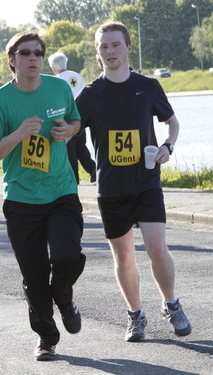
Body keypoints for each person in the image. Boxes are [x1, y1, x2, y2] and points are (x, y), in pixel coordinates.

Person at [75, 21, 191, 342]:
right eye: (103, 47)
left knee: (156, 247)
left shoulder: (149, 86)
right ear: (98, 55)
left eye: (115, 45)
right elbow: (70, 132)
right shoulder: (89, 95)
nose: (110, 51)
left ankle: (171, 304)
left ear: (128, 48)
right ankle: (135, 315)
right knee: (124, 256)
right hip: (111, 188)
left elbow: (172, 122)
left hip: (146, 183)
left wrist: (168, 146)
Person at [0, 32, 86, 361]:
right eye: (25, 53)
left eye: (38, 53)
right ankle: (46, 337)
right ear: (12, 59)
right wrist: (19, 133)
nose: (33, 58)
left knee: (68, 257)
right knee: (34, 276)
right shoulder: (0, 101)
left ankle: (64, 296)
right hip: (22, 199)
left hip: (61, 190)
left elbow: (76, 120)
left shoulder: (58, 87)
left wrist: (69, 130)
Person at [48, 52, 96, 184]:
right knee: (81, 146)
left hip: (66, 118)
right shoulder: (77, 76)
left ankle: (73, 179)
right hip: (81, 117)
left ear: (53, 66)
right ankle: (93, 169)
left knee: (70, 149)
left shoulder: (56, 80)